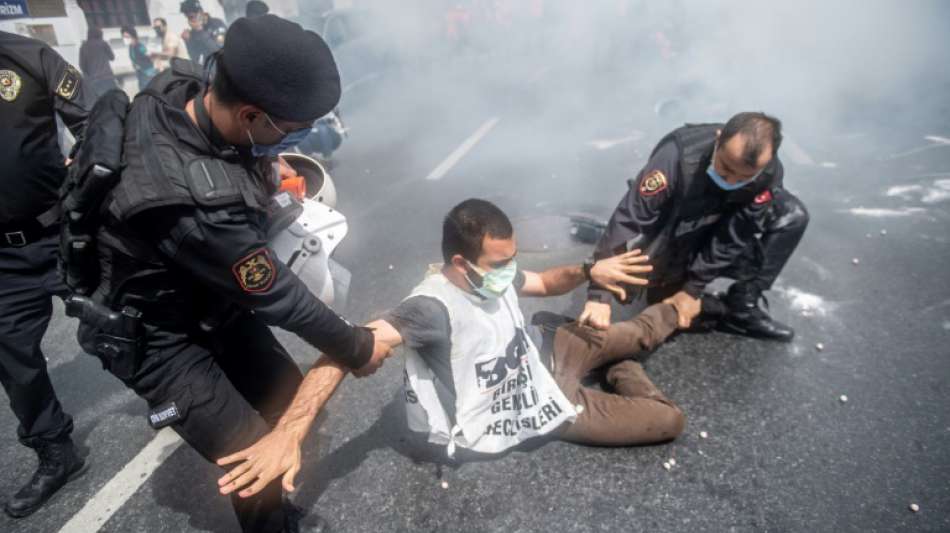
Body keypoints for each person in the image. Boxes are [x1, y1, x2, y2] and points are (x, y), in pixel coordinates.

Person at [68, 15, 389, 532]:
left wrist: (269, 171)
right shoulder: (188, 204)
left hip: (210, 300)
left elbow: (238, 166)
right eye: (292, 129)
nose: (302, 137)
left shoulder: (185, 91)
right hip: (159, 337)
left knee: (292, 402)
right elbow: (279, 297)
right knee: (253, 465)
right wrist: (356, 347)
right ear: (251, 115)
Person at [213, 199, 686, 501]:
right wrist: (289, 433)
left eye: (511, 258)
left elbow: (541, 281)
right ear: (460, 263)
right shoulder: (429, 308)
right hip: (540, 403)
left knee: (642, 330)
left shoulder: (492, 273)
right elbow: (344, 349)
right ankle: (619, 363)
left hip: (541, 348)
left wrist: (589, 272)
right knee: (666, 420)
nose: (510, 270)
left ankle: (682, 307)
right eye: (500, 263)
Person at [580, 112, 809, 342]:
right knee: (665, 304)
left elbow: (736, 234)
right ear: (718, 139)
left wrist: (693, 289)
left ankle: (742, 306)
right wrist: (599, 296)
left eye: (742, 178)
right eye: (725, 169)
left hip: (723, 219)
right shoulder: (677, 158)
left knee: (793, 216)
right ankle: (682, 285)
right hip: (677, 224)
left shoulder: (768, 173)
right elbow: (627, 219)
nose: (730, 182)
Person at [0, 29, 92, 518]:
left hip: (59, 231)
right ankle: (56, 454)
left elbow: (91, 124)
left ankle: (183, 398)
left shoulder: (27, 54)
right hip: (2, 258)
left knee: (118, 319)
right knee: (14, 359)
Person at [180, 0, 228, 65]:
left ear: (200, 12)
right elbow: (195, 58)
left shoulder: (216, 23)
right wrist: (188, 41)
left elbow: (219, 50)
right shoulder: (194, 32)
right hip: (211, 70)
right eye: (188, 18)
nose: (190, 21)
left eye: (191, 17)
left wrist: (200, 32)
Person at [78, 26, 117, 99]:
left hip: (93, 80)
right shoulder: (103, 43)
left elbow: (82, 65)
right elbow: (112, 57)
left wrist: (88, 77)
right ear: (100, 34)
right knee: (114, 99)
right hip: (107, 77)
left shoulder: (84, 46)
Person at [120, 26, 157, 91]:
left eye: (127, 36)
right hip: (140, 73)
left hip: (148, 73)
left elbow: (150, 56)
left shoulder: (140, 46)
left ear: (133, 36)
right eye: (123, 37)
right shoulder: (131, 47)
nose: (125, 39)